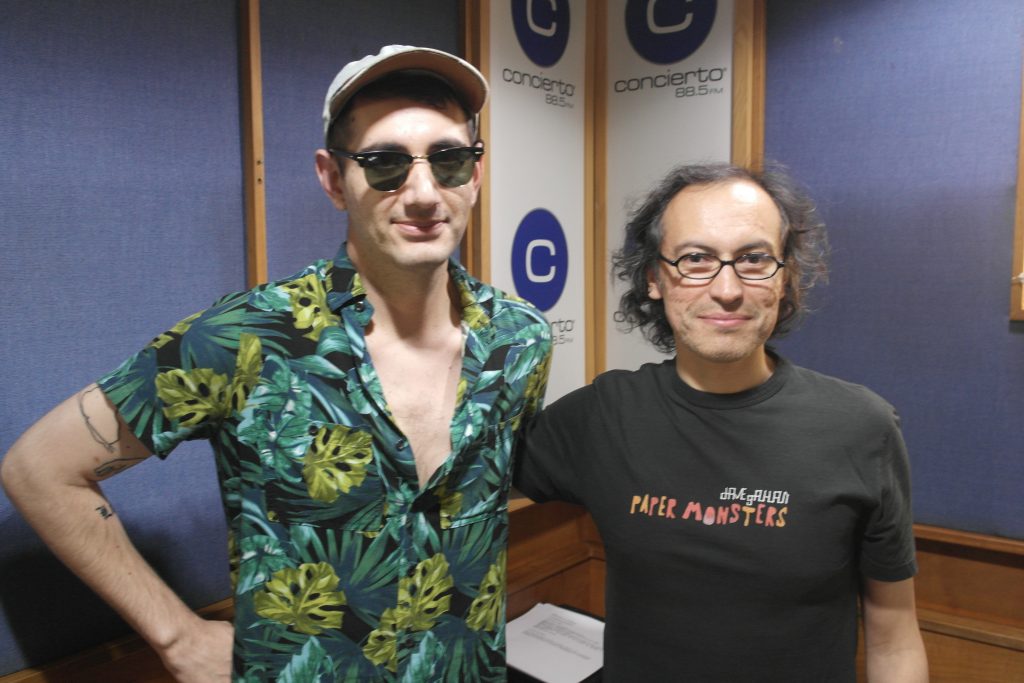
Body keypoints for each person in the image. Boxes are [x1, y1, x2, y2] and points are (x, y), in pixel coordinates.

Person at [1, 45, 551, 682]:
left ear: (475, 174)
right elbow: (39, 470)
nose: (424, 193)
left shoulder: (521, 341)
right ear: (333, 178)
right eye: (385, 164)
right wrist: (177, 635)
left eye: (449, 160)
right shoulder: (248, 338)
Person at [514, 163, 928, 681]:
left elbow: (894, 639)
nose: (727, 289)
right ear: (654, 279)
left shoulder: (862, 427)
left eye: (754, 259)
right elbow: (463, 477)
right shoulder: (603, 414)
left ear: (785, 277)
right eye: (695, 259)